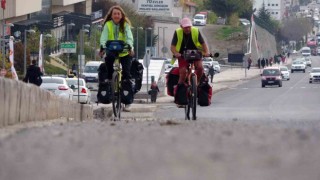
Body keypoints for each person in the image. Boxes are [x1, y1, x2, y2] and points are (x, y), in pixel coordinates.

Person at [99, 5, 135, 112]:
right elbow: (103, 37)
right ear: (111, 15)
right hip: (111, 51)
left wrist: (129, 46)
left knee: (127, 74)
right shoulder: (108, 25)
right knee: (108, 63)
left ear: (121, 15)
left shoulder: (125, 25)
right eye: (114, 13)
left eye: (118, 14)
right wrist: (102, 47)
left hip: (124, 52)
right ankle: (111, 79)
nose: (116, 15)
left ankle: (127, 101)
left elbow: (129, 37)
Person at [170, 17, 210, 85]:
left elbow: (203, 44)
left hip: (196, 54)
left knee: (200, 68)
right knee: (183, 72)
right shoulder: (177, 32)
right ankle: (180, 86)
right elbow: (172, 46)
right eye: (185, 27)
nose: (188, 29)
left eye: (189, 27)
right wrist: (176, 53)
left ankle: (196, 83)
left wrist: (206, 52)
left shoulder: (196, 31)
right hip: (182, 55)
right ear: (181, 27)